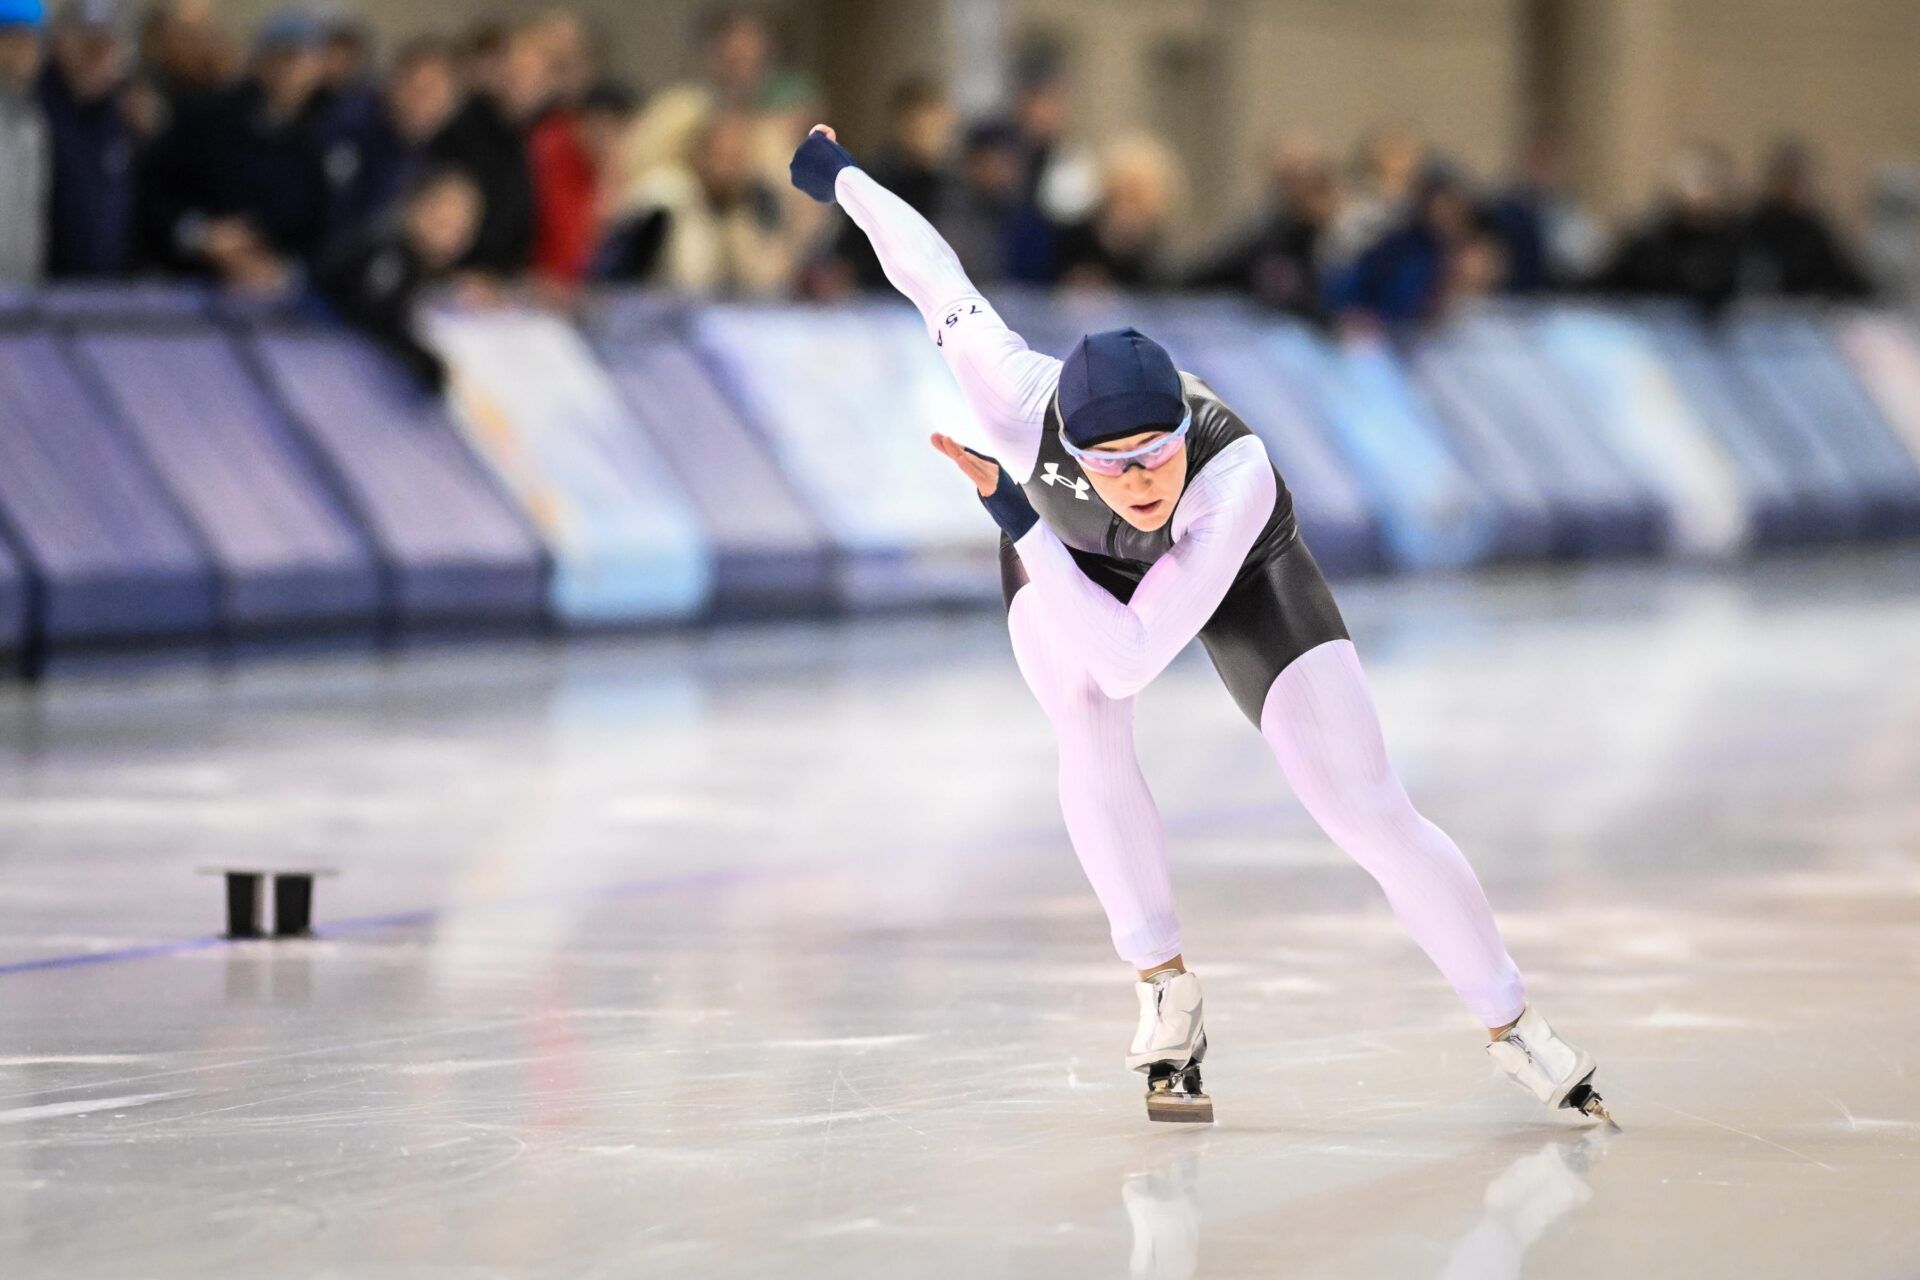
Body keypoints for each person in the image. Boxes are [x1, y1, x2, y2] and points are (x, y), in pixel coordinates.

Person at [788, 123, 1612, 1126]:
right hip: (1063, 549)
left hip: (1234, 567)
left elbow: (1138, 652)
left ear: (1185, 431)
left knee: (1363, 803)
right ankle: (1161, 983)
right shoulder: (1009, 392)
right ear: (1071, 447)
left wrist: (1012, 510)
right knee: (1083, 709)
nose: (1139, 480)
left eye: (1156, 452)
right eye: (1113, 461)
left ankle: (1511, 1018)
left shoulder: (1231, 476)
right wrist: (843, 177)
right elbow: (931, 271)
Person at [137, 8, 332, 292]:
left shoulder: (315, 142)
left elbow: (317, 231)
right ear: (262, 61)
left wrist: (282, 269)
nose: (293, 71)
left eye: (305, 61)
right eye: (284, 58)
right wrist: (200, 235)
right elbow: (153, 193)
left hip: (271, 298)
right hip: (188, 287)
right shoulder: (206, 117)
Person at [313, 166, 480, 395]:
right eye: (442, 223)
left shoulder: (415, 267)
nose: (450, 237)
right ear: (417, 207)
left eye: (459, 230)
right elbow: (366, 319)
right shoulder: (389, 253)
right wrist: (423, 361)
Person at [1184, 135, 1337, 321]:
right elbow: (1202, 278)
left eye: (1314, 180)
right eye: (1291, 180)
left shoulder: (1350, 245)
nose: (1302, 191)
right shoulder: (1264, 244)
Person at [38, 0, 138, 278]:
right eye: (88, 45)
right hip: (39, 293)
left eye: (107, 46)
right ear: (61, 43)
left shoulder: (118, 115)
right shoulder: (35, 109)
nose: (97, 58)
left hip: (104, 292)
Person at [1742, 139, 1873, 301]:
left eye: (1794, 178)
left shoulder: (1811, 227)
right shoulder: (1751, 225)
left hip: (1807, 308)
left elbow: (1838, 271)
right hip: (1759, 308)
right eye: (1783, 176)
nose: (1789, 186)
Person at [0, 0, 49, 286]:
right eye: (13, 41)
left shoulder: (34, 124)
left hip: (20, 303)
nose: (23, 55)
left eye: (31, 43)